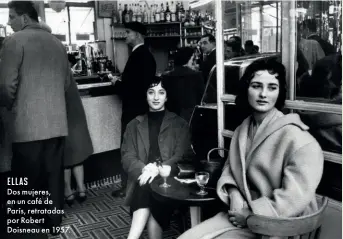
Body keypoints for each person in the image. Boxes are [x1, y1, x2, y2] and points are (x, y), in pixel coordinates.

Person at [177, 59, 324, 239]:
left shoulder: (300, 140)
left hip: (280, 226)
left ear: (280, 93)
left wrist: (251, 215)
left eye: (272, 87)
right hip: (243, 214)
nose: (263, 94)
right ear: (246, 88)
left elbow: (294, 199)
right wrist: (233, 192)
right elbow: (230, 167)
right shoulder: (243, 129)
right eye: (256, 86)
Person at [0, 1, 70, 234]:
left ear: (25, 18)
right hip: (57, 124)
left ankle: (30, 228)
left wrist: (11, 107)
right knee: (53, 176)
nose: (8, 23)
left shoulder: (14, 41)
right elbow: (67, 83)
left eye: (11, 17)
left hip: (27, 125)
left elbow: (6, 85)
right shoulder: (58, 44)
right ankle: (53, 223)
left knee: (27, 178)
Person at [121, 76, 193, 239]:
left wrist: (157, 169)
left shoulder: (179, 124)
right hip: (143, 177)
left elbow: (182, 155)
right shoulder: (133, 125)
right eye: (151, 92)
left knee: (149, 190)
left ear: (167, 97)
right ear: (145, 95)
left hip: (170, 181)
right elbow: (127, 156)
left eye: (161, 92)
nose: (155, 97)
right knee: (147, 187)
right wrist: (145, 169)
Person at [109, 21, 156, 197]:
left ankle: (130, 188)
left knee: (130, 149)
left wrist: (116, 83)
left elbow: (132, 89)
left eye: (128, 32)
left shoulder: (139, 56)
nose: (125, 35)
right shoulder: (145, 55)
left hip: (134, 110)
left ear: (137, 34)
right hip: (141, 110)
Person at [163, 47, 204, 122]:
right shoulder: (196, 75)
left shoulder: (166, 76)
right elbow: (201, 95)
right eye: (193, 59)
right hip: (190, 114)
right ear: (189, 59)